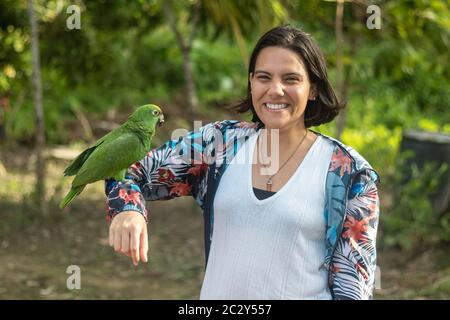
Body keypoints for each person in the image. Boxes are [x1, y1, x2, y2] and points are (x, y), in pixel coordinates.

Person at [105, 25, 380, 300]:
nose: (275, 90)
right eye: (264, 77)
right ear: (251, 82)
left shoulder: (348, 174)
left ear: (312, 89)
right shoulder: (220, 143)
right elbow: (130, 172)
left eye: (291, 79)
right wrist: (128, 209)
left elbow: (353, 288)